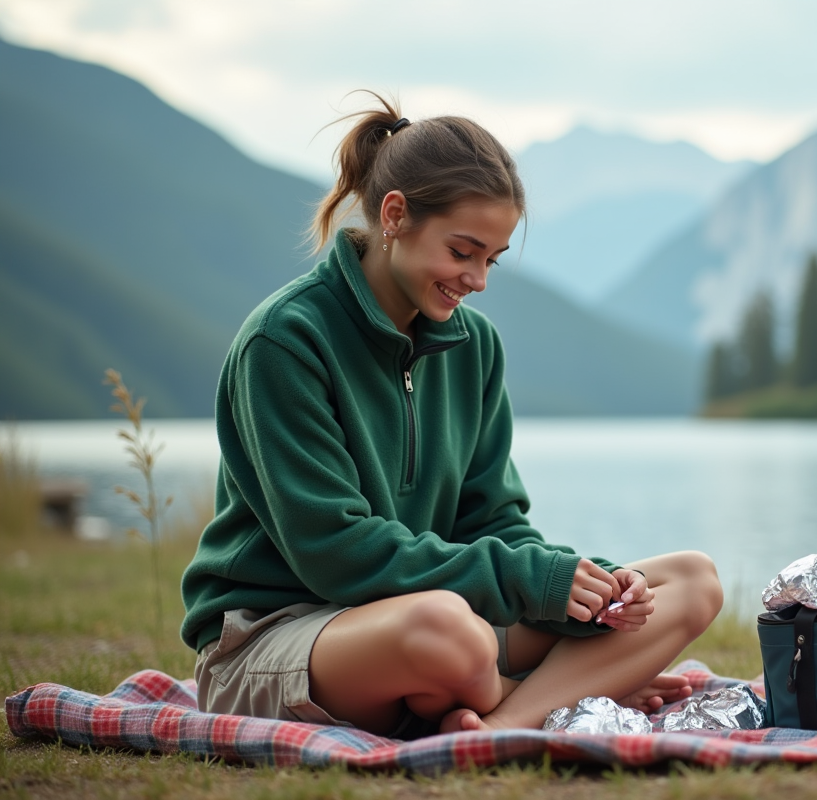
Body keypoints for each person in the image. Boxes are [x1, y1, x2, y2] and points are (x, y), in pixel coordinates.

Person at [180, 93, 724, 737]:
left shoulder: (474, 346)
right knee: (450, 633)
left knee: (690, 581)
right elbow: (336, 554)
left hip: (431, 615)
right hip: (278, 638)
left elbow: (492, 521)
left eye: (490, 259)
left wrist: (591, 594)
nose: (478, 280)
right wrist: (533, 585)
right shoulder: (285, 340)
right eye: (463, 252)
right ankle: (561, 693)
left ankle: (502, 721)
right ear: (395, 215)